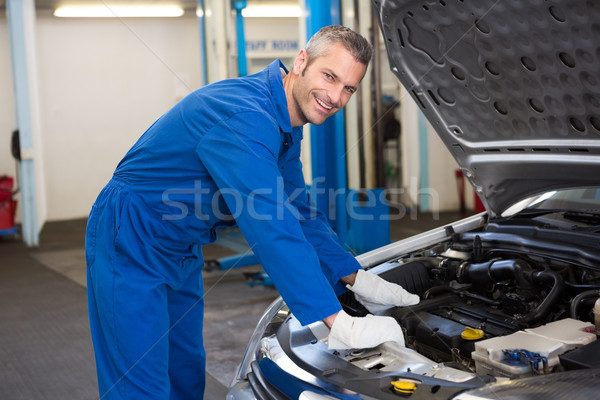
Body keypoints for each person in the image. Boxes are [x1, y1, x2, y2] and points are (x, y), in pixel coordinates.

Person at [85, 25, 419, 399]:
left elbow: (300, 213)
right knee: (139, 381)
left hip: (180, 245)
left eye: (349, 88)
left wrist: (356, 277)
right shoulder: (246, 115)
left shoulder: (285, 124)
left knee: (184, 371)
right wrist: (335, 320)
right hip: (131, 234)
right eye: (330, 76)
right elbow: (270, 223)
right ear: (301, 61)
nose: (336, 96)